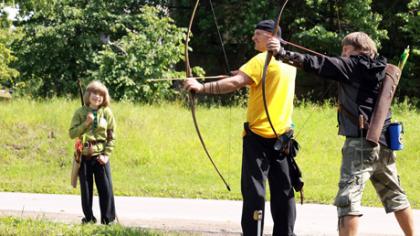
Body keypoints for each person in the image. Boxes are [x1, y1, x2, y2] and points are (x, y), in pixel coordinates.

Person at [267, 32, 415, 236]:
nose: (342, 54)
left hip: (360, 144)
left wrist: (282, 53)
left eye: (344, 50)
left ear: (350, 50)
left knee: (348, 199)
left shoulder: (352, 65)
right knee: (396, 195)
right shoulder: (384, 68)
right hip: (385, 142)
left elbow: (316, 63)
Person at [184, 20, 298, 236]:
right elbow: (256, 80)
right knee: (284, 191)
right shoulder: (290, 63)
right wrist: (242, 76)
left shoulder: (260, 60)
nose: (253, 38)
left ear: (271, 36)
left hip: (258, 139)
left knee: (255, 191)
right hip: (283, 140)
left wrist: (201, 87)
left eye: (257, 34)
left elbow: (235, 83)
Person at [69, 80, 116, 225]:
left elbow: (111, 135)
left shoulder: (107, 112)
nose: (97, 97)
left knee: (106, 189)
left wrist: (106, 154)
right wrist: (86, 123)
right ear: (88, 94)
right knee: (86, 190)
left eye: (101, 94)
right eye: (95, 93)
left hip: (101, 156)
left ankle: (108, 220)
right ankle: (88, 219)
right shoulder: (80, 112)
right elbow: (72, 133)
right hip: (84, 155)